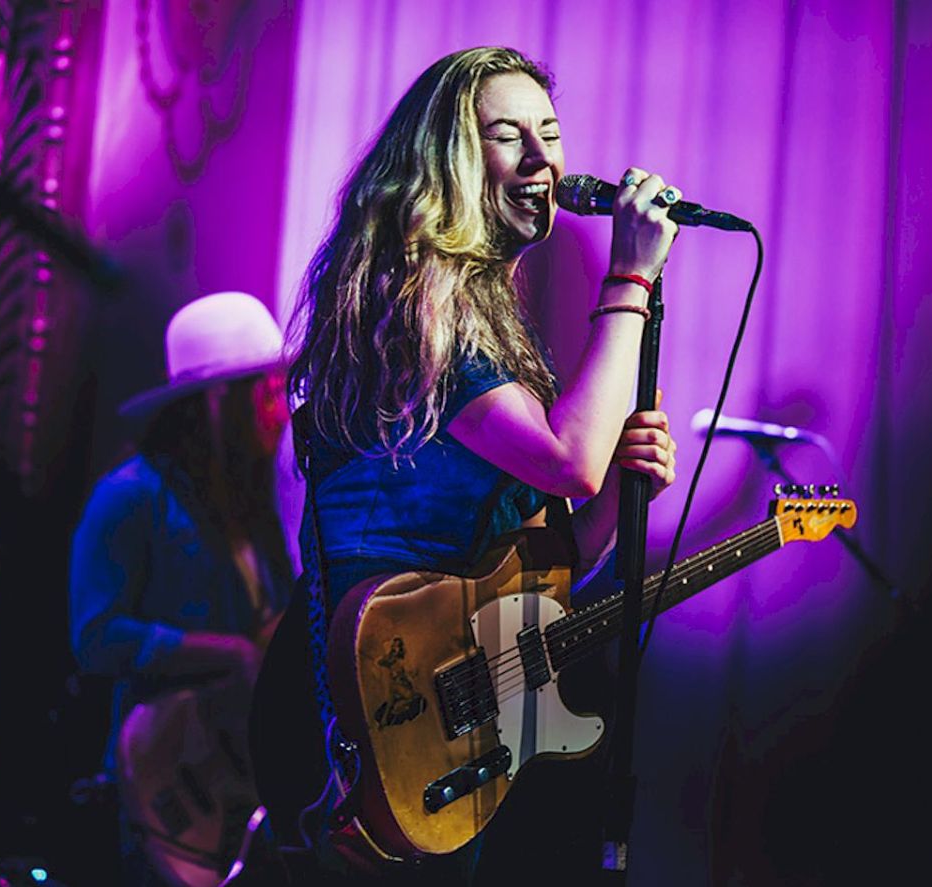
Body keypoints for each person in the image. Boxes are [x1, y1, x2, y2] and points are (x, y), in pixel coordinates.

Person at [249, 46, 680, 886]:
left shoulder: (490, 323)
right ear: (448, 159)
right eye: (507, 136)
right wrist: (630, 275)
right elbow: (568, 460)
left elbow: (551, 562)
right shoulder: (414, 296)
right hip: (366, 695)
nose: (541, 160)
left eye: (550, 135)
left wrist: (624, 497)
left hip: (439, 707)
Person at [69, 290, 294, 886]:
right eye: (266, 391)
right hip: (157, 783)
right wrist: (229, 653)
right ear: (219, 402)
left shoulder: (253, 509)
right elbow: (95, 637)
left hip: (233, 783)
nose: (282, 410)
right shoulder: (129, 495)